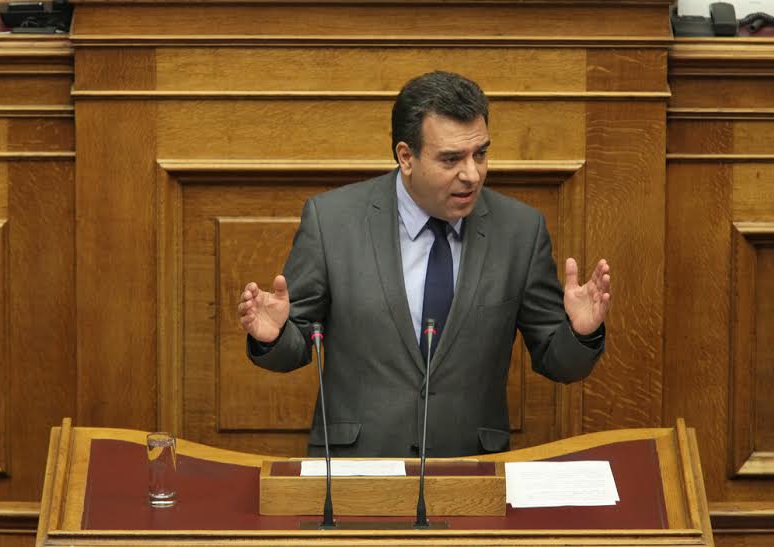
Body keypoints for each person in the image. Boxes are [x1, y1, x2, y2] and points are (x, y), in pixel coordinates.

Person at [238, 71, 611, 458]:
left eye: (480, 154)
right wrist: (273, 336)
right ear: (406, 157)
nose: (472, 174)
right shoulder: (333, 221)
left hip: (470, 466)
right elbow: (295, 346)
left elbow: (558, 361)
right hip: (358, 468)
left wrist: (581, 333)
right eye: (451, 159)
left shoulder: (519, 231)